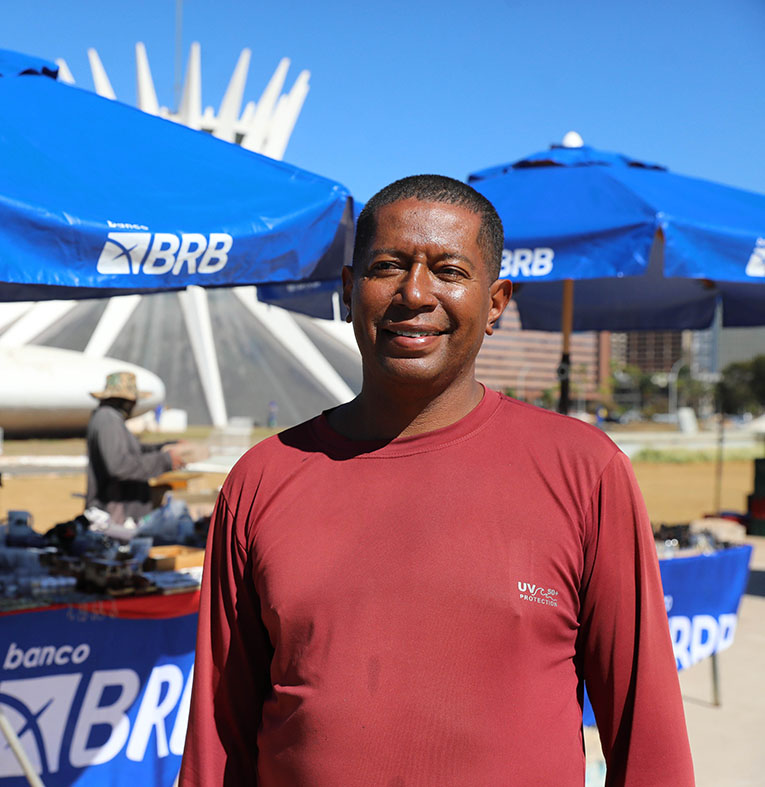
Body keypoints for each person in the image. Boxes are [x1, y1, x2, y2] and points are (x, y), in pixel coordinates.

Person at [183, 175, 693, 785]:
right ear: (349, 292)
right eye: (388, 266)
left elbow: (647, 736)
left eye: (449, 270)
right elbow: (220, 737)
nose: (415, 293)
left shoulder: (584, 471)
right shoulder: (262, 480)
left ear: (496, 302)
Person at [85, 370, 186, 523]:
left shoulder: (111, 418)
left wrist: (166, 446)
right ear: (125, 401)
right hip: (114, 516)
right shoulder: (107, 419)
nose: (134, 405)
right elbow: (119, 465)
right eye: (133, 401)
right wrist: (165, 460)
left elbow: (134, 450)